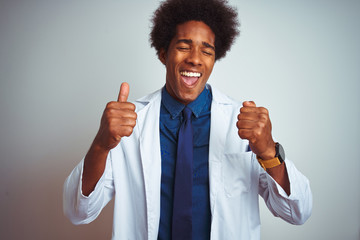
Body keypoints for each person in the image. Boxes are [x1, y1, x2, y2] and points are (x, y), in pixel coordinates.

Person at [63, 0, 312, 239]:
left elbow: (297, 212)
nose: (195, 58)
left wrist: (269, 152)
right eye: (184, 46)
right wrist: (101, 145)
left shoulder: (242, 122)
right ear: (163, 54)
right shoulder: (130, 123)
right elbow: (78, 212)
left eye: (207, 50)